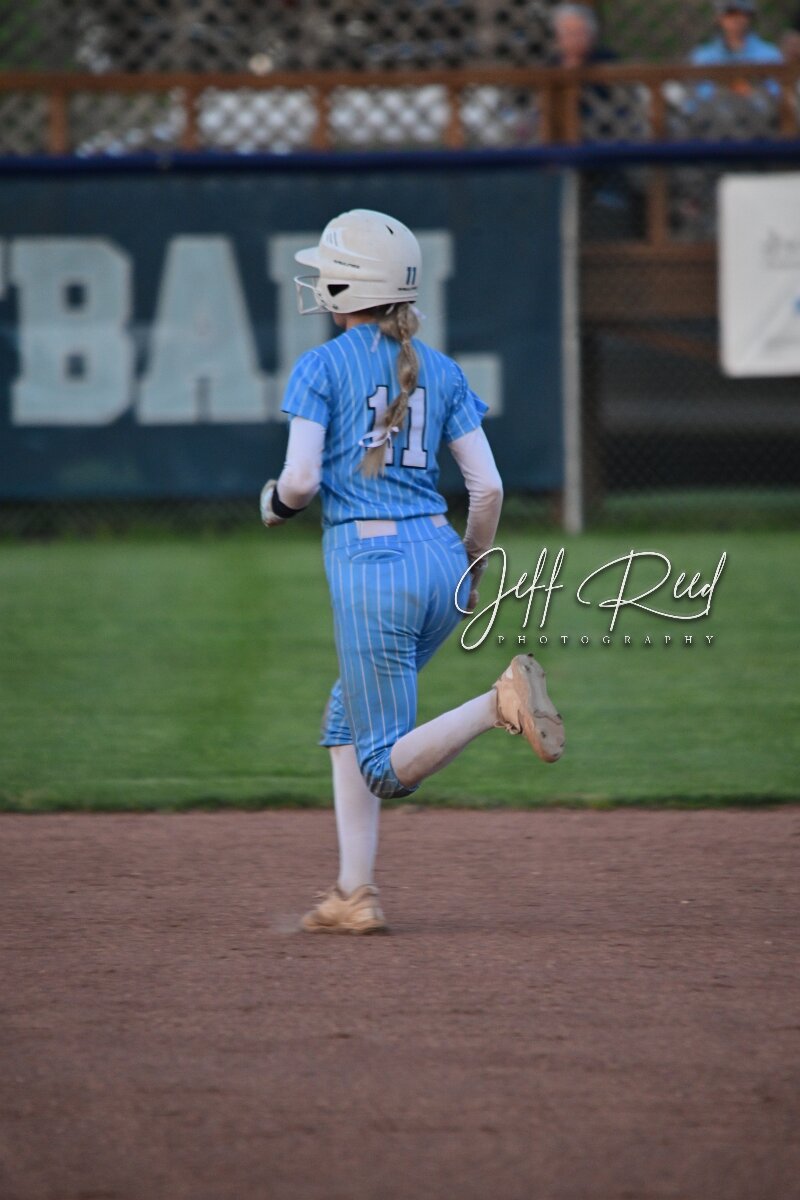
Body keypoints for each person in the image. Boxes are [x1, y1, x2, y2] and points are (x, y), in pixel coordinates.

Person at [260, 208, 565, 935]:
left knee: (381, 766)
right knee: (348, 716)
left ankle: (497, 705)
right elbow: (487, 489)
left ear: (345, 286)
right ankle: (353, 893)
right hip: (440, 558)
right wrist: (472, 567)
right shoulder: (443, 369)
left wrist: (274, 504)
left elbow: (300, 481)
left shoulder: (321, 367)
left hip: (372, 567)